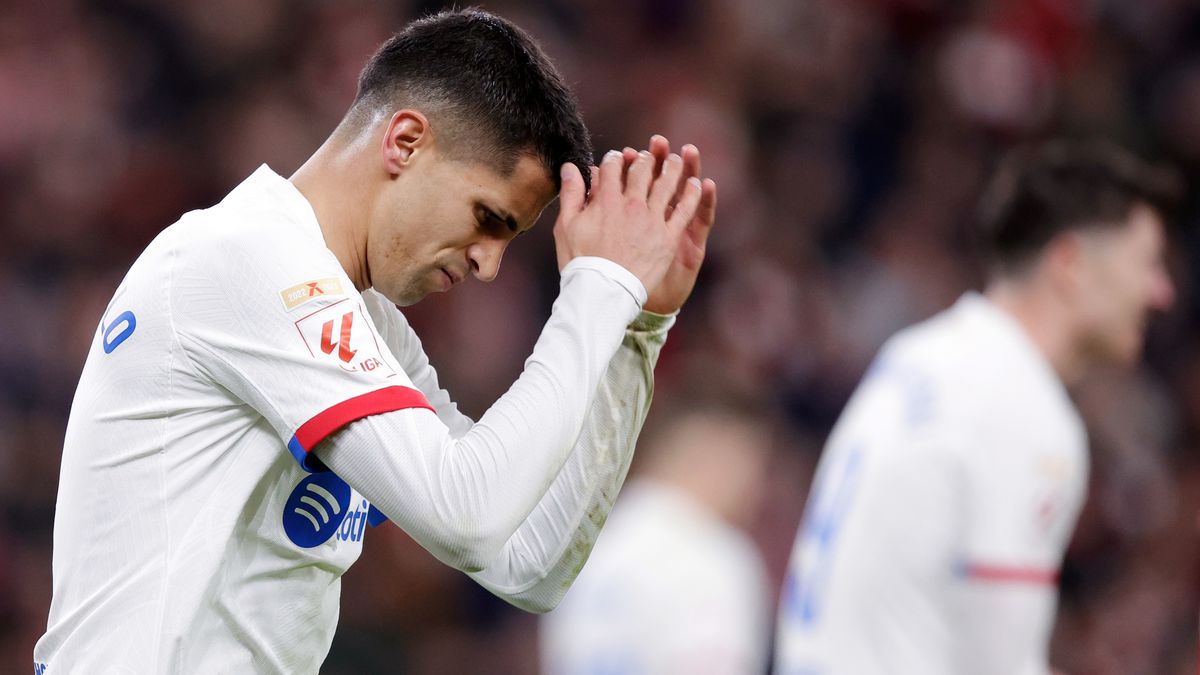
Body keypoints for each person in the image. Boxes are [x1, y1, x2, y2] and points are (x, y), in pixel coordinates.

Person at [34, 9, 717, 674]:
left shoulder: (366, 319)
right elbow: (468, 512)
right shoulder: (244, 256)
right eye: (488, 218)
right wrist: (594, 290)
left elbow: (524, 560)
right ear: (406, 141)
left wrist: (634, 328)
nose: (489, 264)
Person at [774, 140, 1178, 675]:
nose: (1161, 292)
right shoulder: (1021, 409)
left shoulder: (921, 355)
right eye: (1146, 263)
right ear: (1070, 264)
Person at [540, 406, 773, 675]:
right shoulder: (711, 552)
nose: (757, 492)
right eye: (752, 466)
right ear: (710, 454)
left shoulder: (587, 549)